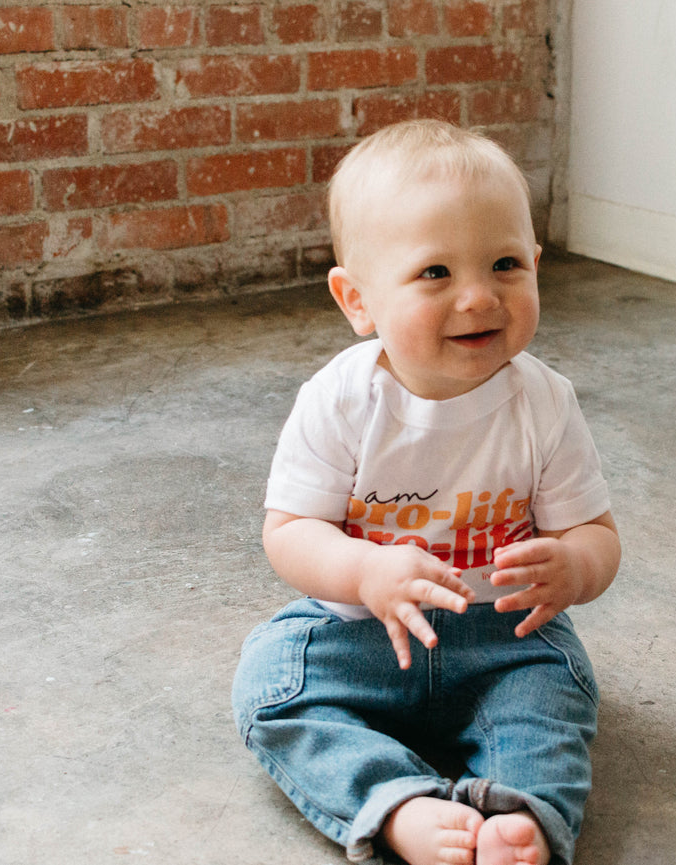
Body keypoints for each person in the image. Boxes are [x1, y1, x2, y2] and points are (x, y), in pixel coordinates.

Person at [232, 119, 620, 865]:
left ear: (538, 264)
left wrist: (577, 568)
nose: (479, 297)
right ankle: (396, 801)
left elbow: (596, 532)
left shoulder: (543, 402)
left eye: (505, 263)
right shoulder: (341, 399)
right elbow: (289, 530)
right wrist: (364, 572)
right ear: (358, 300)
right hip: (361, 631)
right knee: (272, 685)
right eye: (435, 273)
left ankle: (521, 813)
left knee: (554, 700)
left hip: (503, 636)